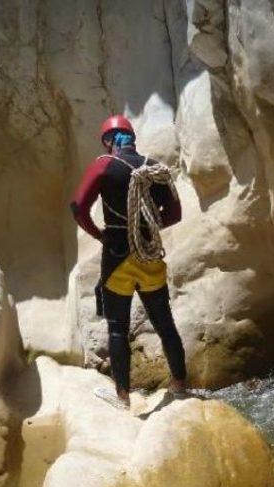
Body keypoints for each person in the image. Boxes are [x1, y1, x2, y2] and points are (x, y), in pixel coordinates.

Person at [70, 114, 187, 409]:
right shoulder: (152, 167)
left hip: (117, 257)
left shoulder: (104, 165)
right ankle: (179, 387)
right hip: (148, 255)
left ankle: (122, 398)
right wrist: (145, 226)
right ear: (132, 137)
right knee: (165, 325)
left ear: (109, 141)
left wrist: (100, 234)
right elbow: (174, 214)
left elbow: (78, 208)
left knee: (117, 329)